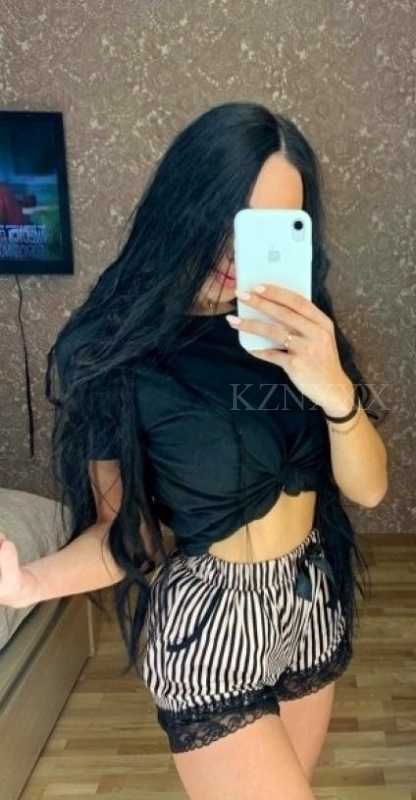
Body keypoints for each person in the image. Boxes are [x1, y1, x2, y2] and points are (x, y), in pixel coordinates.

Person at [0, 101, 388, 800]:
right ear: (188, 204)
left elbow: (369, 489)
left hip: (309, 602)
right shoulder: (116, 352)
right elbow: (129, 535)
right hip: (212, 627)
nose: (239, 254)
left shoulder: (302, 327)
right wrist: (29, 585)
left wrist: (334, 387)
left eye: (269, 228)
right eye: (228, 219)